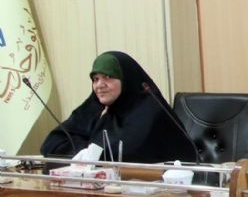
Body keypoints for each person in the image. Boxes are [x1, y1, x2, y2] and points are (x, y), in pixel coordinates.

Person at [40, 51, 194, 163]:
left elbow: (122, 155)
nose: (99, 85)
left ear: (126, 80)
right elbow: (51, 143)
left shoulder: (151, 112)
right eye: (95, 79)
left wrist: (87, 150)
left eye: (108, 77)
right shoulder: (102, 108)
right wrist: (88, 149)